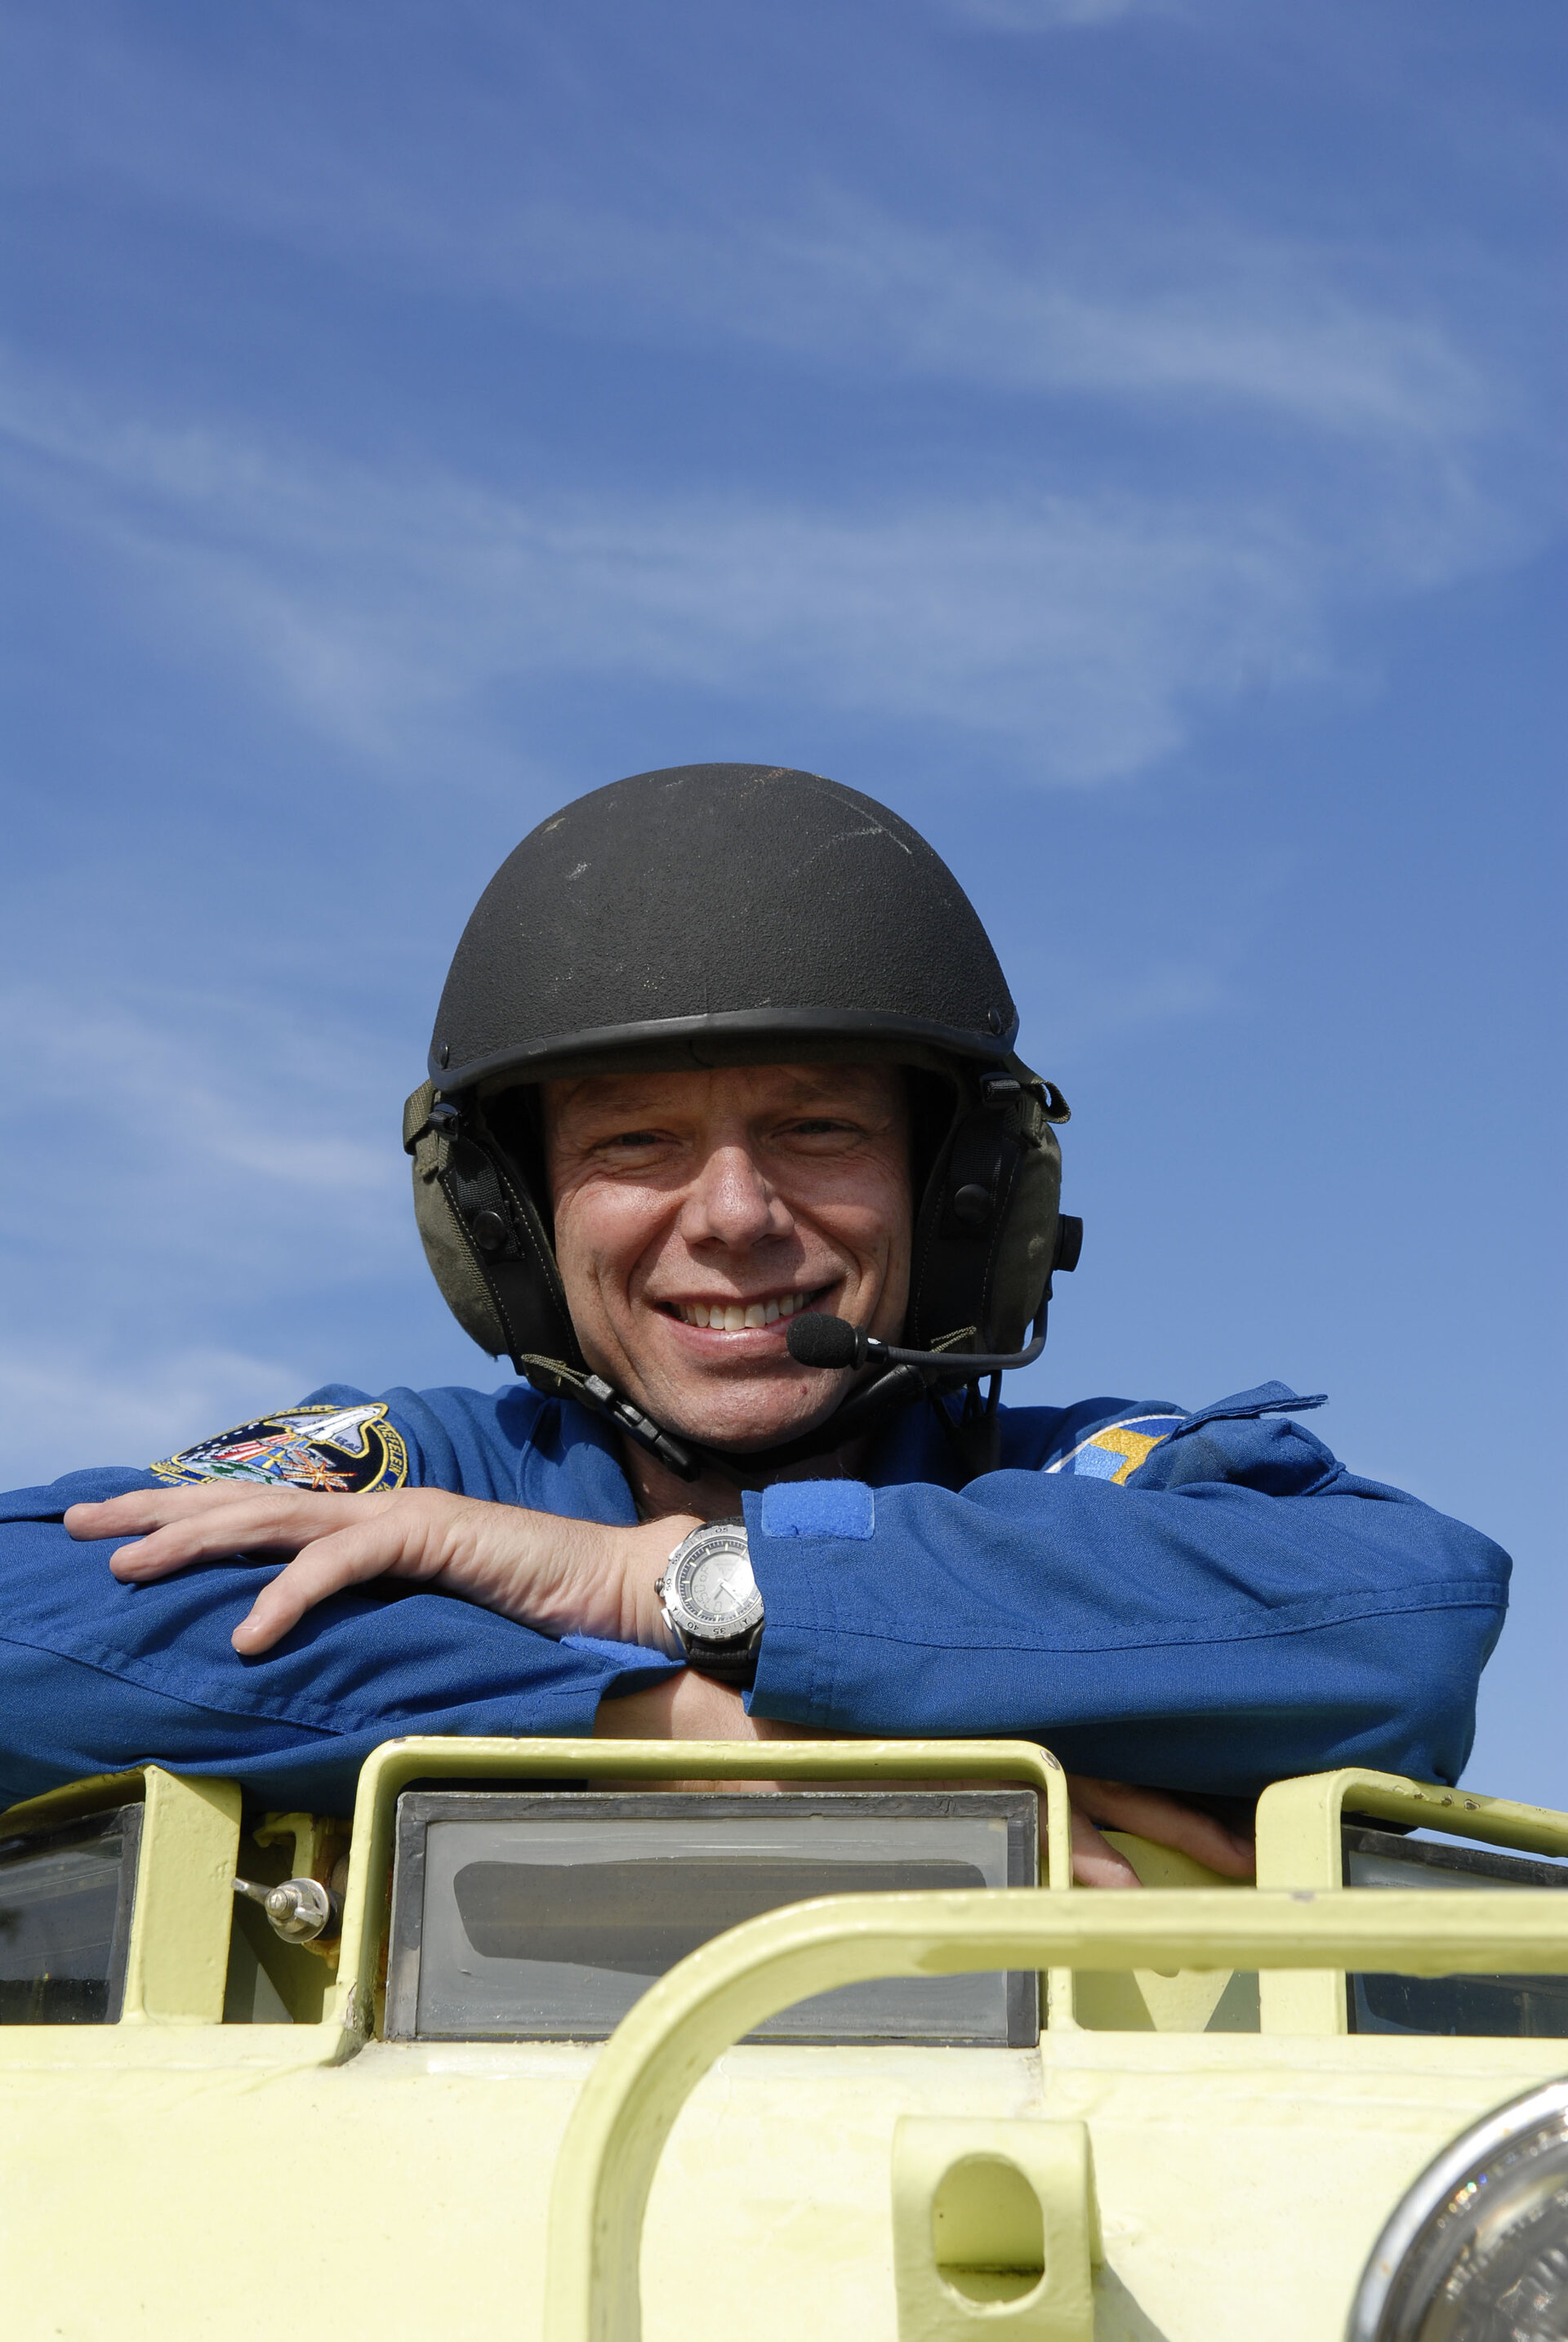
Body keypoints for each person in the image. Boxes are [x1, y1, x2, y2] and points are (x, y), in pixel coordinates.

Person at [0, 764, 1510, 1887]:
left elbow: (1404, 1620)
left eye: (816, 1130)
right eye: (635, 1146)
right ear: (516, 1231)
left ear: (961, 1197)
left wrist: (659, 1585)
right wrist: (680, 1724)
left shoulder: (1099, 1488)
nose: (731, 1215)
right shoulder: (420, 1478)